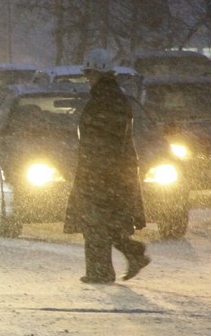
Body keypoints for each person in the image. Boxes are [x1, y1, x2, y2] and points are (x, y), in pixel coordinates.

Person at [63, 48, 150, 283]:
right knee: (105, 222)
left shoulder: (106, 99)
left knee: (95, 222)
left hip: (103, 173)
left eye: (90, 73)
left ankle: (101, 272)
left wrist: (97, 169)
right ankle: (131, 255)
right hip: (109, 172)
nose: (87, 77)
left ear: (100, 73)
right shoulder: (110, 96)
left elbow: (104, 140)